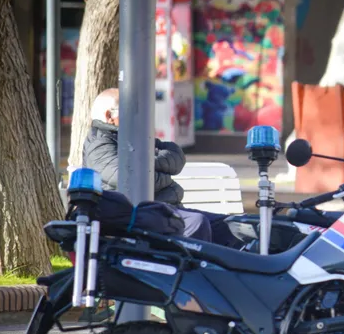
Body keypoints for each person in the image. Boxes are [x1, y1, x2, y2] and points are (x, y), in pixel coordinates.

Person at [82, 88, 233, 245]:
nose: (139, 116)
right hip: (141, 216)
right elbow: (131, 178)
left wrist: (147, 163)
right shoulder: (99, 144)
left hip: (165, 210)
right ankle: (190, 269)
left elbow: (176, 155)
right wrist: (163, 173)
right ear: (109, 116)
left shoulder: (132, 134)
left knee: (232, 225)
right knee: (196, 223)